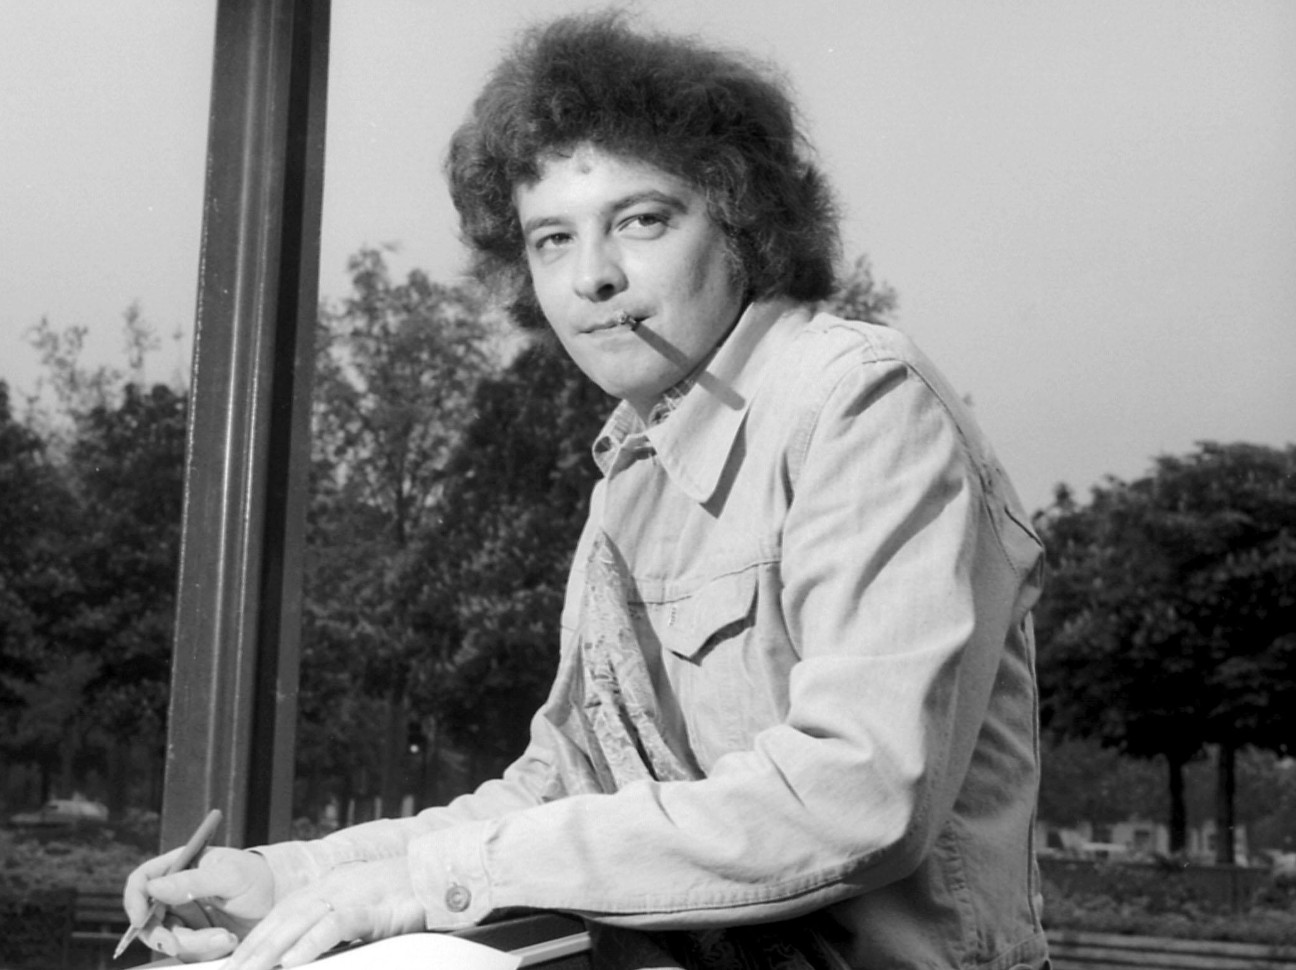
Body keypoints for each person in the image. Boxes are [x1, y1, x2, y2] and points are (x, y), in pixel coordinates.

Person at [125, 13, 1047, 970]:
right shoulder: (635, 464)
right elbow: (565, 785)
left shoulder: (860, 401)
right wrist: (294, 876)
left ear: (743, 223)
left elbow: (855, 797)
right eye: (552, 239)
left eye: (641, 220)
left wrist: (426, 885)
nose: (593, 277)